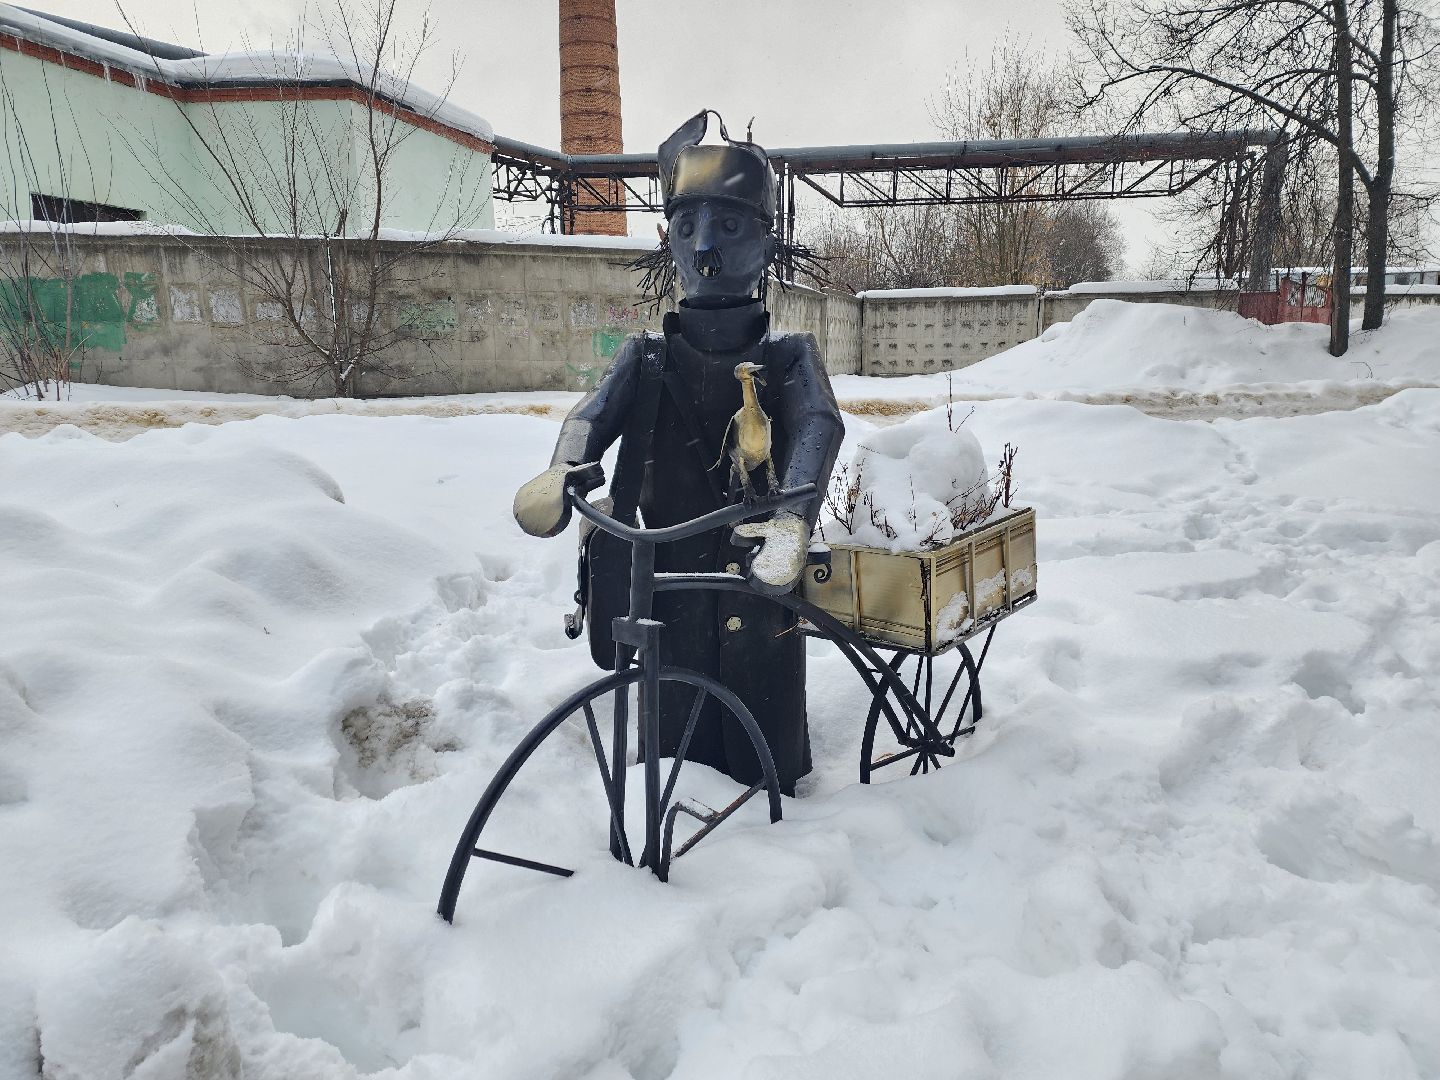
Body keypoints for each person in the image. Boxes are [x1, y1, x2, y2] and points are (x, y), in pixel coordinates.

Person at [512, 111, 844, 795]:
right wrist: (565, 464)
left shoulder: (786, 356)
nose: (705, 248)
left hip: (756, 562)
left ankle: (771, 799)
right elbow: (593, 413)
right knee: (673, 709)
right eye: (688, 227)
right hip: (665, 564)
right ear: (668, 240)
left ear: (765, 238)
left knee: (759, 702)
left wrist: (793, 519)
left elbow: (819, 427)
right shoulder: (649, 353)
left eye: (728, 226)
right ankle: (677, 793)